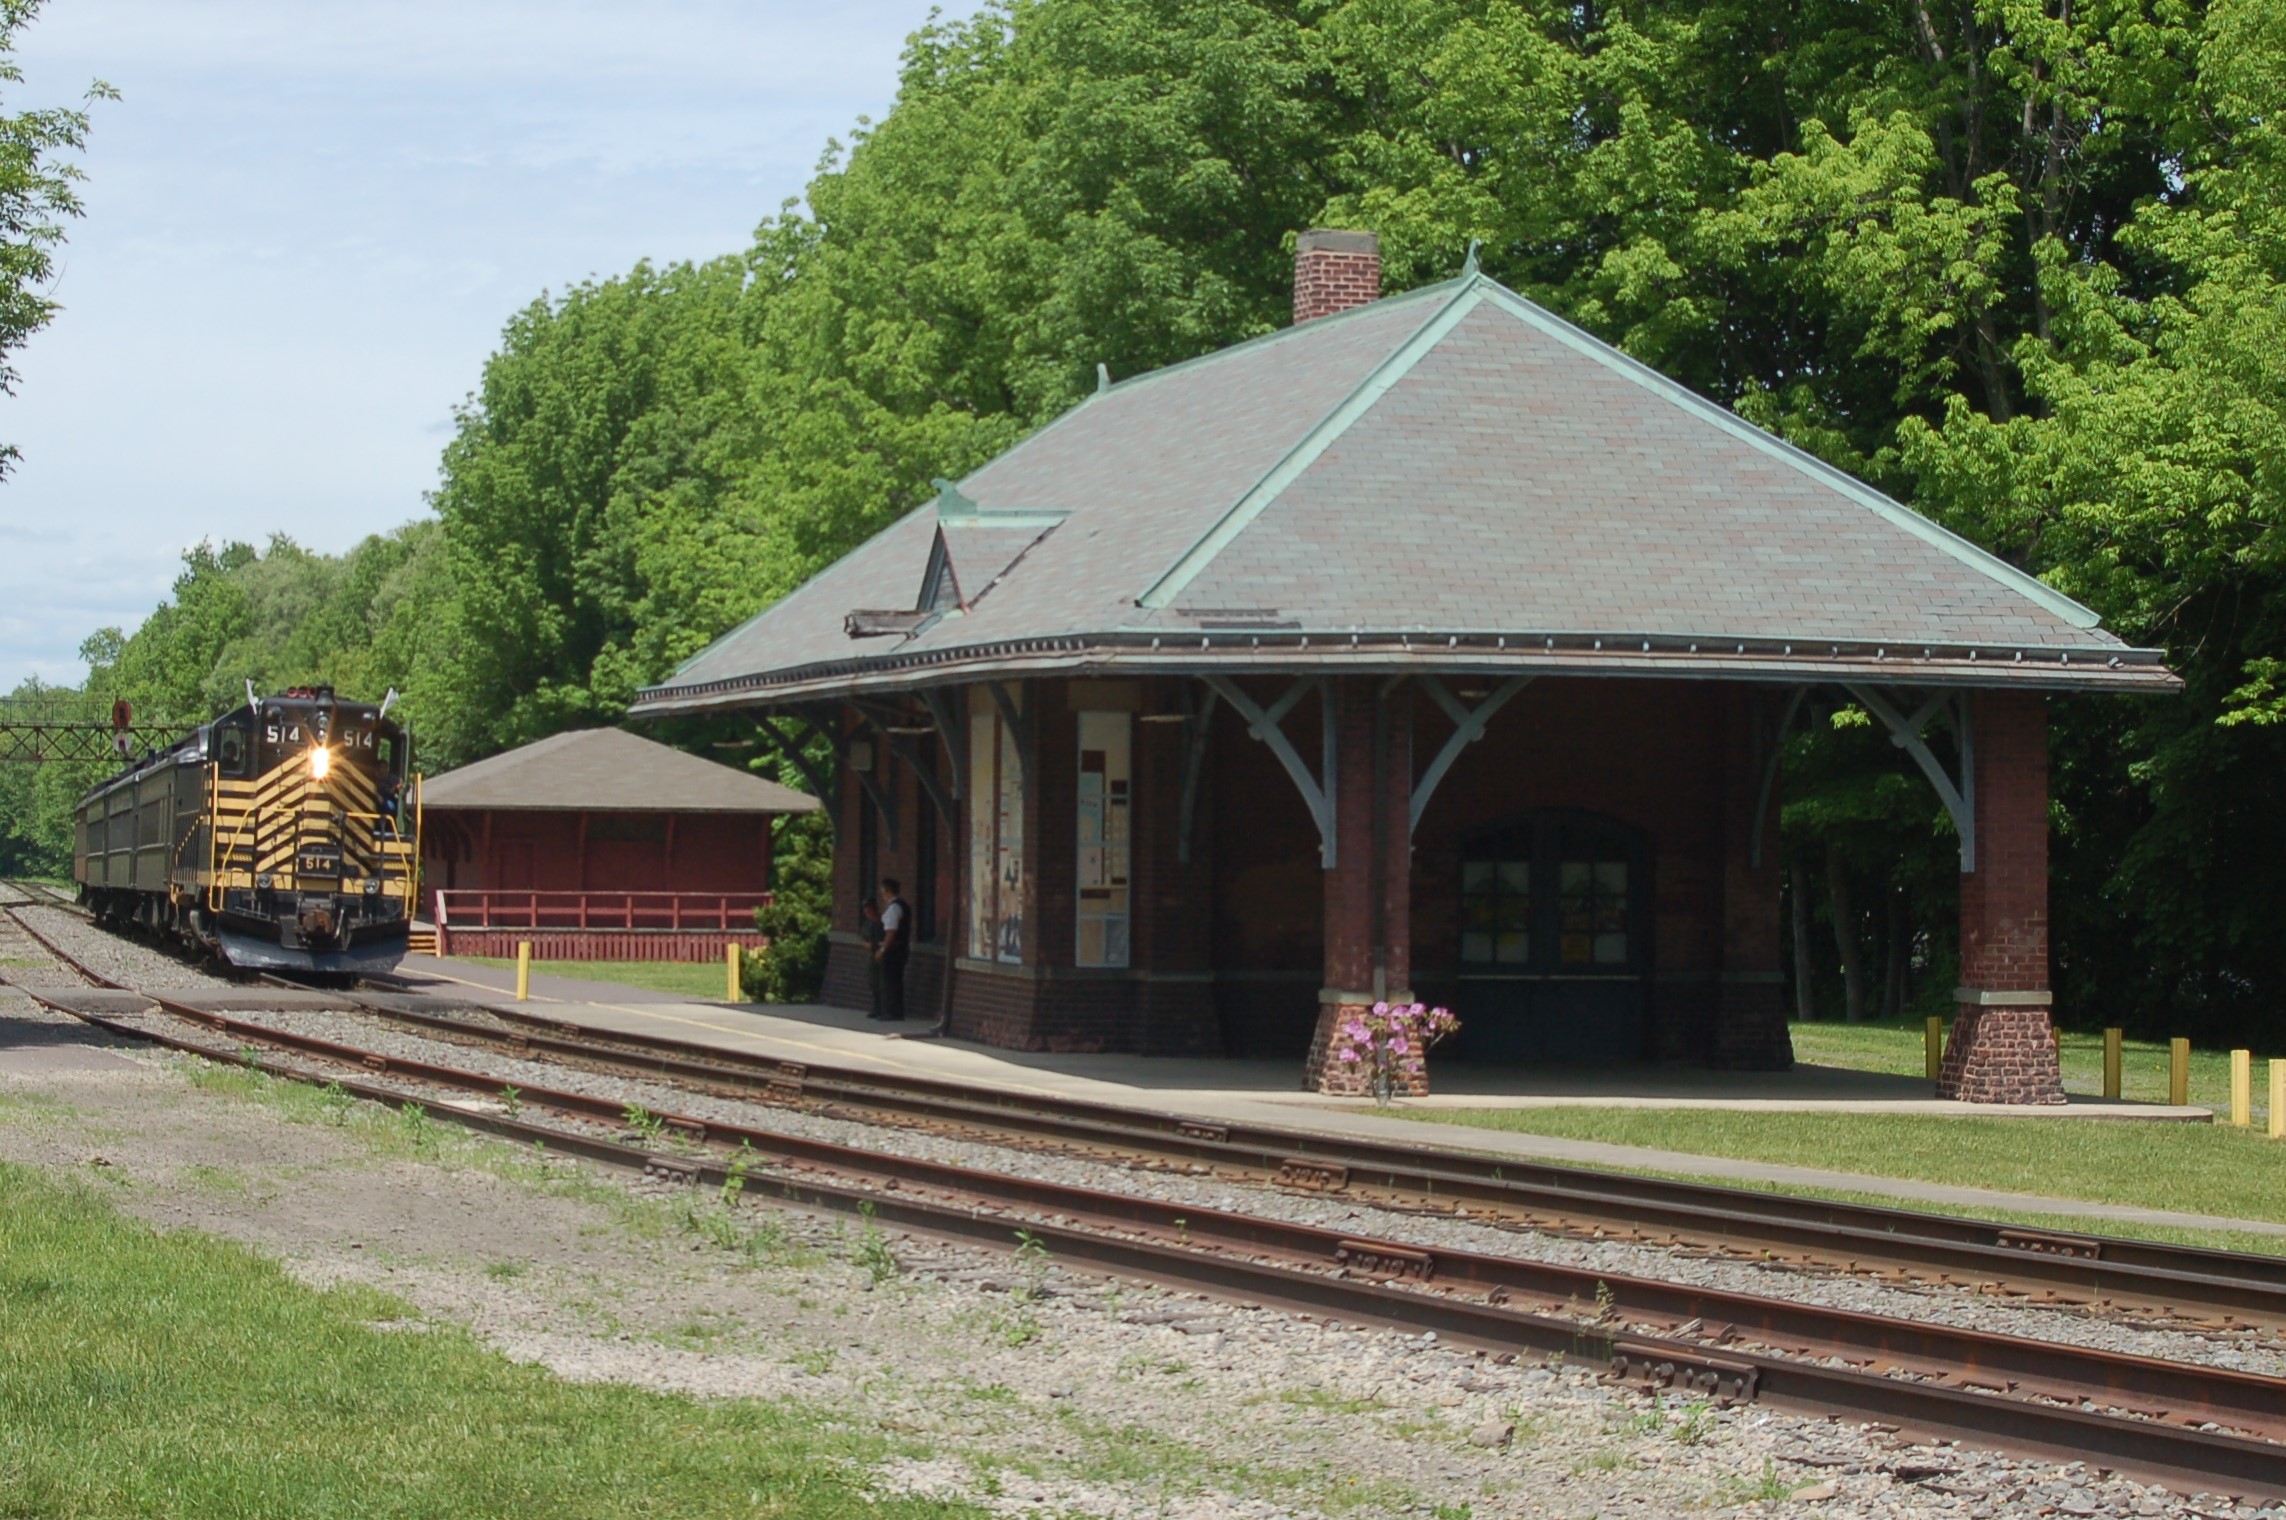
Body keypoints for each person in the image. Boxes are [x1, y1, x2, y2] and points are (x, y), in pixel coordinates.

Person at [875, 878, 909, 1022]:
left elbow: (891, 931)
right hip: (899, 948)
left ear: (888, 891)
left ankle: (892, 1011)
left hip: (893, 950)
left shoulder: (894, 908)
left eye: (883, 891)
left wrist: (882, 949)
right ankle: (894, 1011)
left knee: (890, 981)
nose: (882, 894)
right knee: (894, 980)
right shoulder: (901, 905)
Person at [858, 898, 886, 1020]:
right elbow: (862, 938)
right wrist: (868, 945)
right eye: (866, 912)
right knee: (873, 983)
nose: (868, 915)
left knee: (883, 983)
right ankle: (876, 1008)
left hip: (882, 955)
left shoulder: (883, 922)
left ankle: (883, 1009)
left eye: (870, 912)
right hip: (871, 955)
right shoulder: (867, 924)